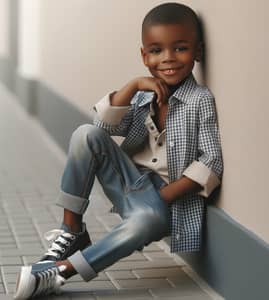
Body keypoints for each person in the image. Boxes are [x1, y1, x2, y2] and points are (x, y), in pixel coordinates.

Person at [14, 2, 223, 299]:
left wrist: (163, 197)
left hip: (162, 202)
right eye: (156, 50)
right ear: (144, 56)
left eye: (180, 48)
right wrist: (134, 85)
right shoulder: (143, 94)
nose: (168, 59)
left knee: (146, 222)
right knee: (86, 134)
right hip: (129, 181)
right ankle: (71, 231)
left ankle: (61, 271)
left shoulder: (200, 99)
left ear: (198, 52)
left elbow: (211, 160)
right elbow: (104, 125)